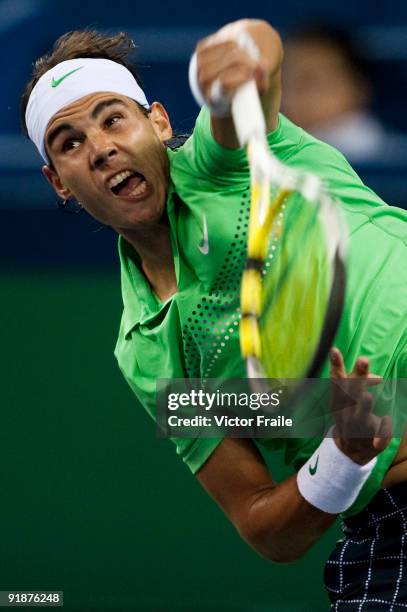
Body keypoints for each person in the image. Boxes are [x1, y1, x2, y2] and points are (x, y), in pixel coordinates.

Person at [21, 19, 407, 609]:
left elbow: (262, 56)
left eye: (113, 118)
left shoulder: (228, 161)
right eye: (69, 143)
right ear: (59, 183)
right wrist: (343, 455)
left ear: (159, 122)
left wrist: (238, 59)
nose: (100, 149)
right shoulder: (148, 348)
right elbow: (264, 526)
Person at [282, 24, 389, 162]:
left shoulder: (380, 155)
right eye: (285, 80)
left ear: (356, 86)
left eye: (310, 80)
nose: (292, 93)